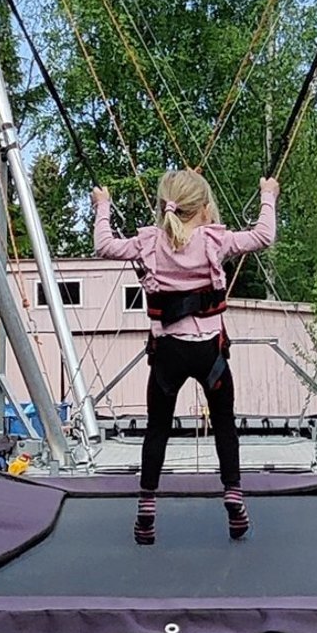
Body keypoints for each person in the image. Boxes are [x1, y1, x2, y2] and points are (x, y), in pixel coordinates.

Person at [92, 170, 278, 543]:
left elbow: (104, 246)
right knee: (224, 423)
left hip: (167, 355)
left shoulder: (149, 243)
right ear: (205, 208)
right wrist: (267, 195)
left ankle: (147, 504)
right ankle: (233, 492)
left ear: (166, 207)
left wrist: (103, 206)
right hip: (210, 352)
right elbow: (263, 236)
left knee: (157, 429)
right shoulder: (216, 241)